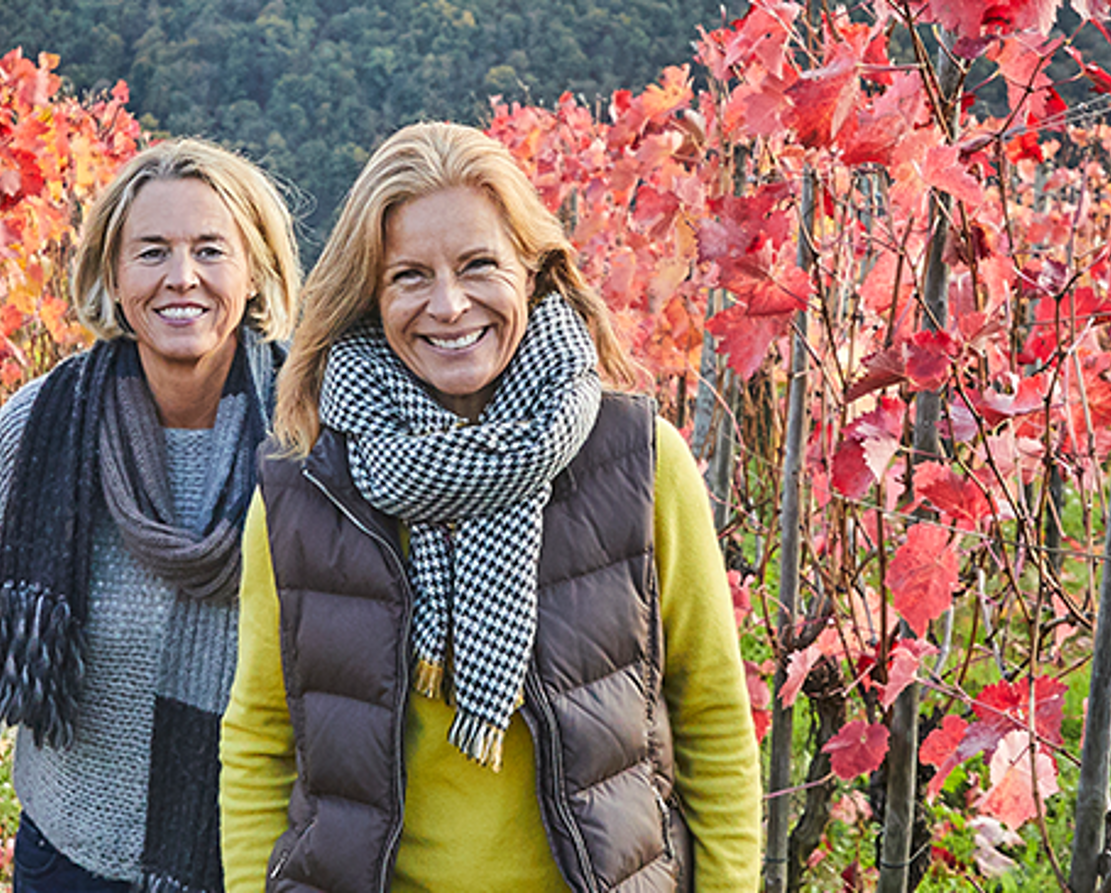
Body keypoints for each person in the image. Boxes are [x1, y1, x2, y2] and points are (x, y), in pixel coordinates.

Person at [217, 122, 764, 893]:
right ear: (369, 295)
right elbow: (262, 738)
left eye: (479, 265)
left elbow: (710, 717)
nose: (448, 305)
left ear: (534, 272)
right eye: (409, 275)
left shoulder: (641, 460)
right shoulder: (306, 490)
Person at [0, 139, 309, 893]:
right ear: (114, 277)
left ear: (252, 271)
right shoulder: (43, 427)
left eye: (210, 250)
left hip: (259, 863)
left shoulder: (308, 436)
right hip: (69, 859)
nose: (180, 277)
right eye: (151, 251)